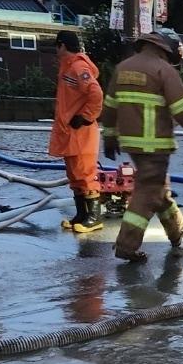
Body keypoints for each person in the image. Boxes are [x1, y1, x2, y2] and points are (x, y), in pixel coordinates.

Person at [100, 29, 183, 262]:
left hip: (132, 145)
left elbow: (110, 107)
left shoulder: (123, 68)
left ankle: (177, 231)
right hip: (155, 145)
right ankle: (127, 245)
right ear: (168, 48)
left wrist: (109, 136)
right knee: (147, 193)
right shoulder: (164, 70)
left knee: (158, 190)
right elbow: (182, 108)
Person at [49, 30, 105, 233]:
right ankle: (82, 214)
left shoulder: (78, 68)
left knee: (85, 173)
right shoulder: (69, 68)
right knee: (75, 175)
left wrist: (85, 117)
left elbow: (96, 93)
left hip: (81, 132)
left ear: (62, 46)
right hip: (72, 132)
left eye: (57, 46)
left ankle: (94, 216)